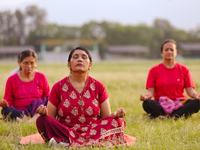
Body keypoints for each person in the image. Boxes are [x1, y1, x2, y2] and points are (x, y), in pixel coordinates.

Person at [36, 47, 127, 148]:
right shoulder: (58, 86)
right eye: (75, 57)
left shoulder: (99, 86)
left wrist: (114, 115)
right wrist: (44, 113)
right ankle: (91, 143)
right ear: (69, 65)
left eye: (84, 57)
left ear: (90, 65)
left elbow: (106, 118)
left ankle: (66, 144)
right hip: (66, 131)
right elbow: (51, 118)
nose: (80, 59)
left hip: (93, 131)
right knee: (42, 120)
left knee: (117, 121)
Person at [140, 39, 200, 119]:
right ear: (162, 52)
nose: (169, 52)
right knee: (147, 104)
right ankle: (178, 116)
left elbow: (190, 90)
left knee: (197, 103)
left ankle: (165, 116)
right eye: (166, 50)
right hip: (161, 103)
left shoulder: (184, 69)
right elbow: (150, 91)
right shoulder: (154, 70)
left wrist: (197, 96)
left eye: (172, 50)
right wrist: (146, 97)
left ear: (176, 52)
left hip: (180, 103)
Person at [0, 50, 50, 121]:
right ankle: (29, 120)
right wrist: (4, 104)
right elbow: (8, 100)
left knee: (40, 101)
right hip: (19, 112)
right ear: (19, 63)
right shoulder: (11, 79)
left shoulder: (42, 77)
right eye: (26, 63)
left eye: (32, 63)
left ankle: (26, 120)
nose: (29, 66)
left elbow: (48, 98)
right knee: (5, 110)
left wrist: (44, 109)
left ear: (36, 64)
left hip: (37, 110)